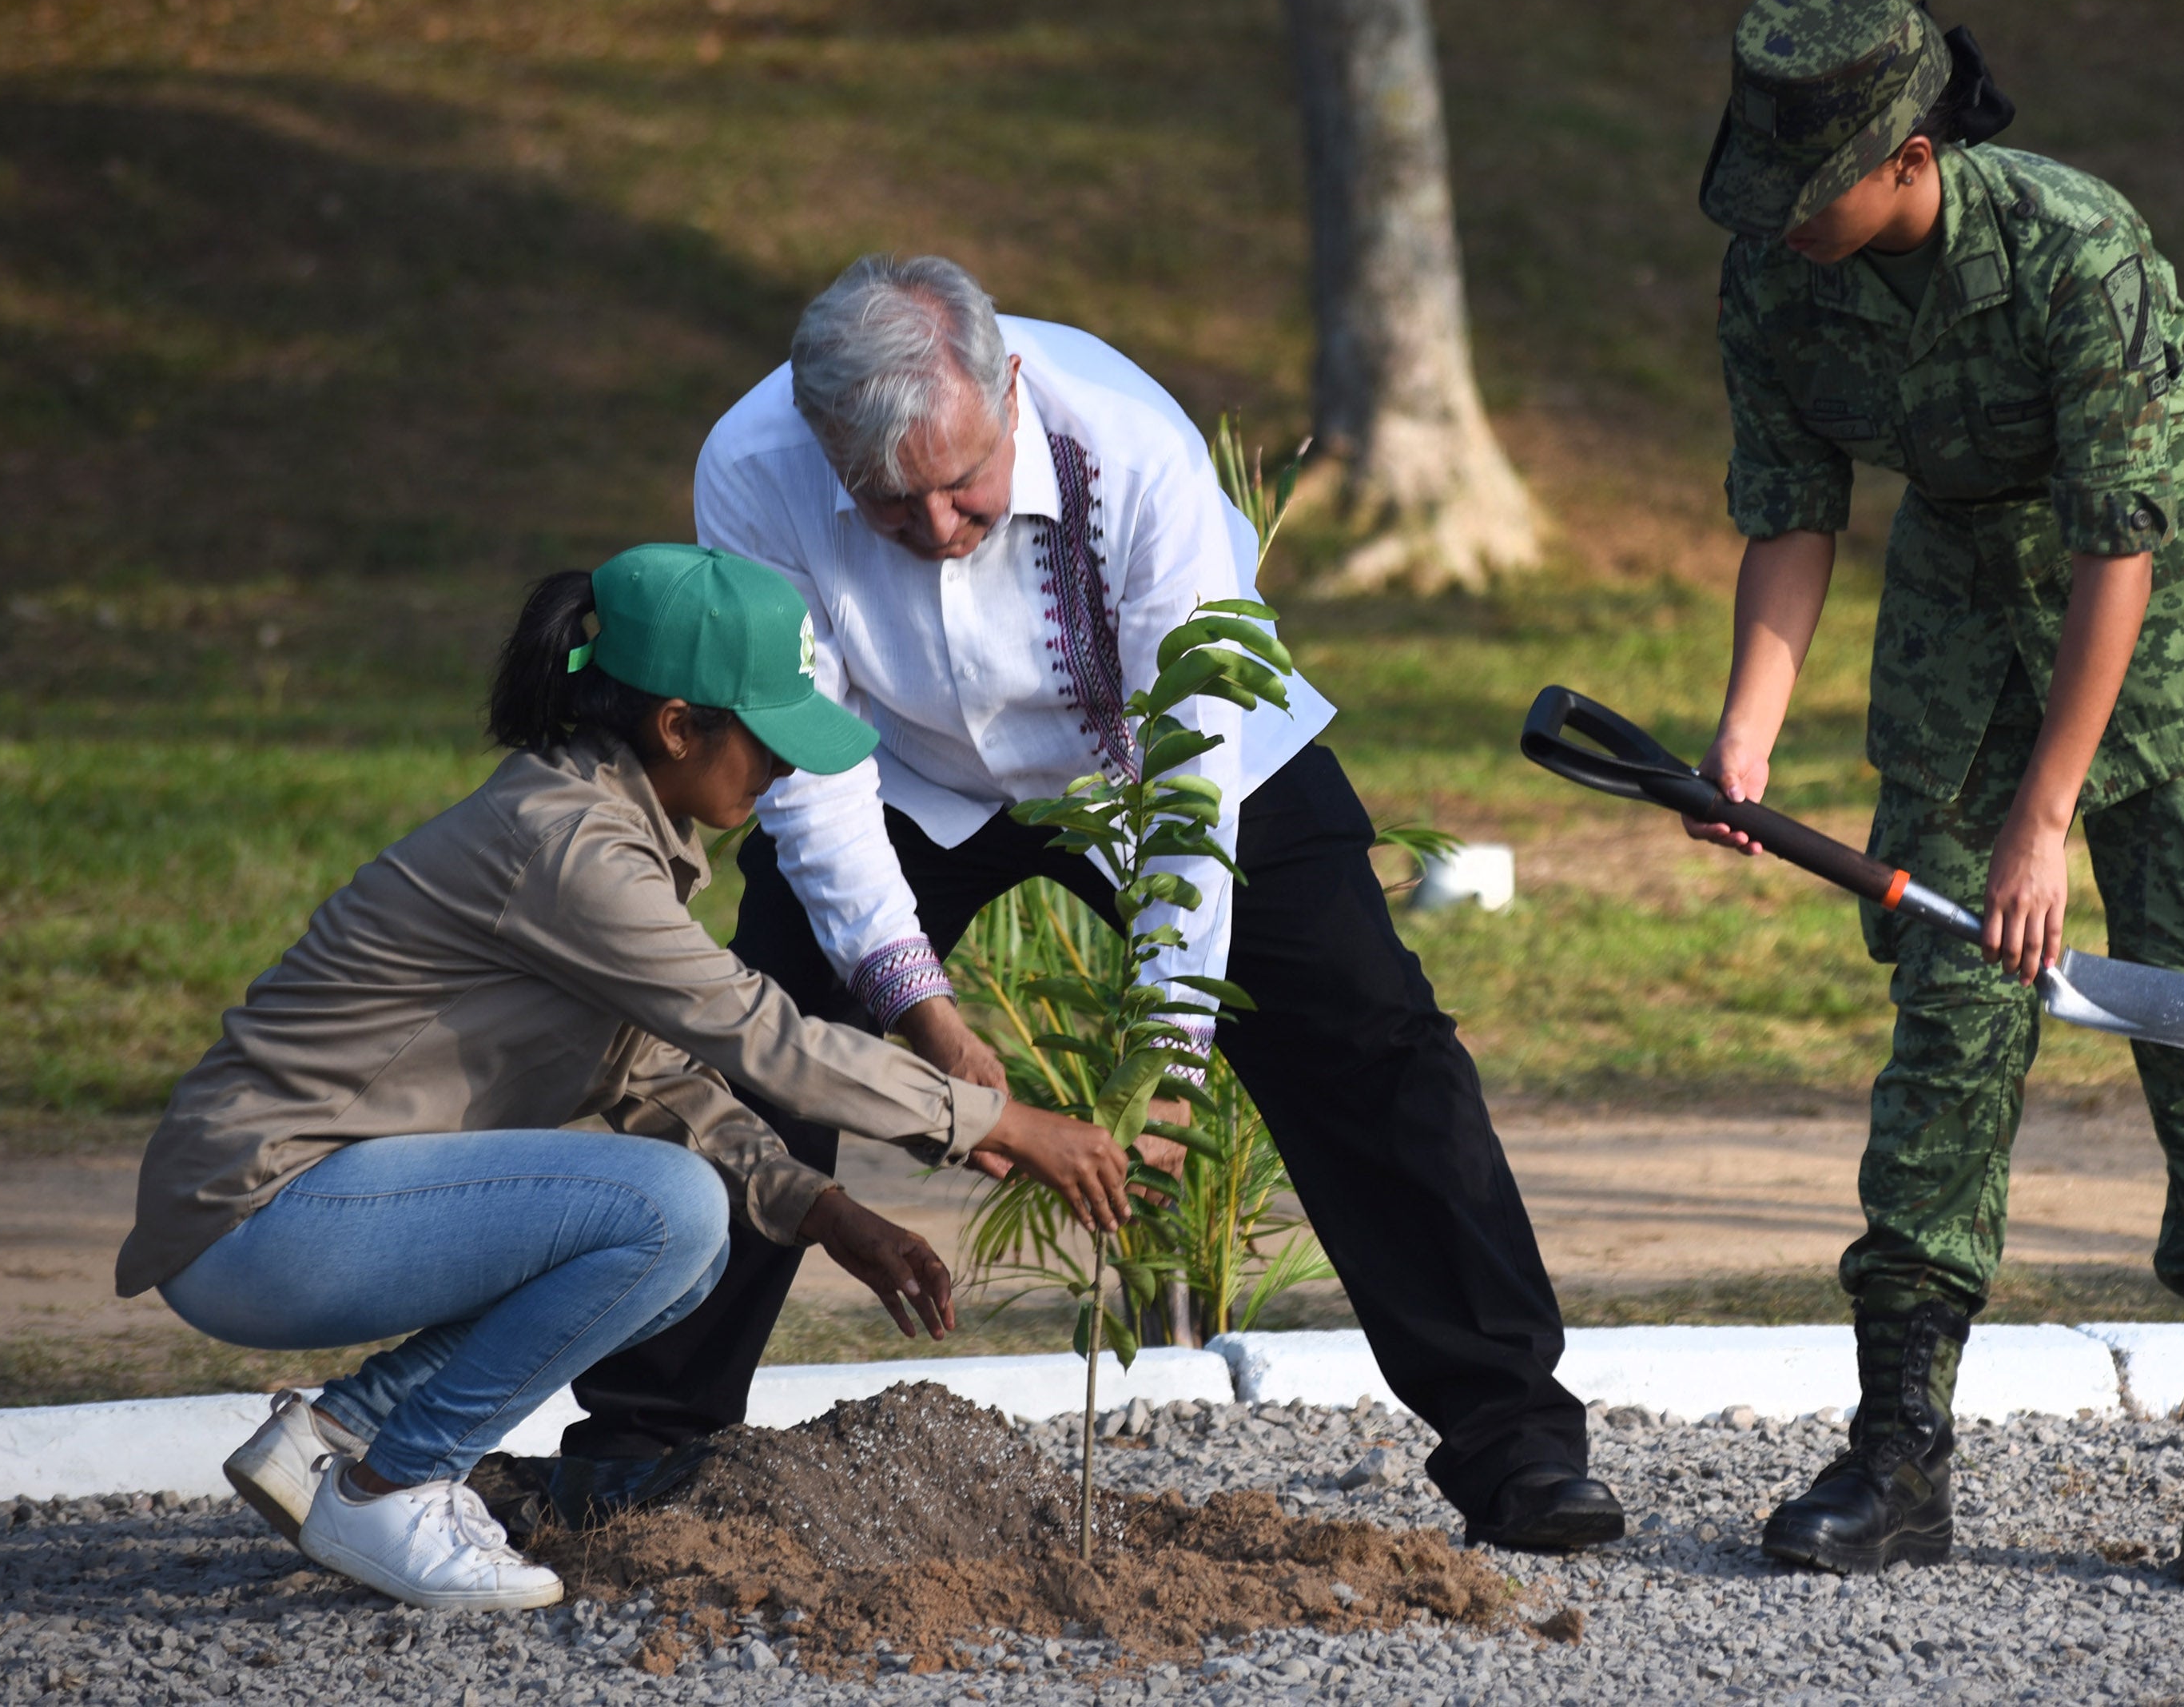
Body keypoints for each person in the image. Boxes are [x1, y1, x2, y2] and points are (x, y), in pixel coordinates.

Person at [557, 253, 1625, 1552]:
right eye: (893, 508)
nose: (942, 528)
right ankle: (642, 1440)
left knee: (1368, 1040)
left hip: (1154, 755)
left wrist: (1168, 1059)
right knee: (765, 1046)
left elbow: (1188, 784)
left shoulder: (1132, 447)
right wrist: (927, 1019)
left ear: (1007, 388)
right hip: (892, 760)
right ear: (823, 445)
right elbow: (812, 772)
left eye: (963, 487)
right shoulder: (754, 463)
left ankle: (1513, 1439)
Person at [116, 543, 1129, 1610]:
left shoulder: (600, 830)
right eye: (767, 737)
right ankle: (389, 1487)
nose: (786, 766)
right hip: (259, 1213)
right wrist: (998, 1122)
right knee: (669, 1208)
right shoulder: (570, 848)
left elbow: (660, 1075)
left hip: (295, 1203)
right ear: (679, 725)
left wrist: (823, 1209)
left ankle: (344, 1433)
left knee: (686, 1250)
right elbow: (758, 1032)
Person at [1692, 0, 2184, 1588]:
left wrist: (2050, 822)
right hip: (1967, 635)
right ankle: (1900, 1455)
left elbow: (2122, 534)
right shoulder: (1777, 277)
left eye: (1808, 186)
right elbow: (1793, 506)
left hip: (2180, 644)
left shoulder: (2069, 243)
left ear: (1911, 154)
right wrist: (1750, 735)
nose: (1778, 220)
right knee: (1949, 1039)